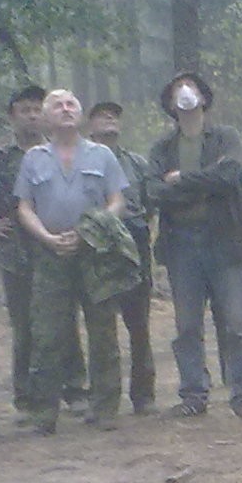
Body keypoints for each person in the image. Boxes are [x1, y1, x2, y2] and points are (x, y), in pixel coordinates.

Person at [14, 89, 128, 434]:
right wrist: (46, 238)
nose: (65, 109)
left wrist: (91, 231)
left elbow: (117, 201)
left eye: (71, 105)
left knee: (103, 332)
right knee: (47, 335)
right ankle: (44, 413)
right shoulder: (33, 159)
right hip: (50, 255)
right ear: (46, 117)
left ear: (79, 114)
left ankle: (105, 408)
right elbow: (24, 207)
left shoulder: (102, 155)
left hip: (95, 253)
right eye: (58, 106)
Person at [150, 70, 242, 420]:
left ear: (204, 97)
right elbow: (154, 191)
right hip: (181, 244)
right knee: (187, 326)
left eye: (192, 86)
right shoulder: (162, 148)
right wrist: (204, 185)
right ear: (170, 103)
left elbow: (231, 176)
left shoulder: (226, 138)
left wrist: (182, 180)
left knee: (237, 323)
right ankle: (193, 394)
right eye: (178, 88)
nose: (185, 92)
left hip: (225, 240)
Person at [0, 86, 49, 416]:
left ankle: (71, 388)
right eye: (25, 110)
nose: (32, 116)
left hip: (55, 245)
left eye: (37, 109)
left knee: (60, 320)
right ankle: (26, 396)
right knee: (24, 325)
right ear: (12, 115)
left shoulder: (58, 149)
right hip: (15, 250)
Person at [86, 100, 158, 415]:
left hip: (133, 244)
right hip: (94, 247)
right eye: (102, 115)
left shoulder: (137, 163)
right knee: (100, 325)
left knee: (138, 323)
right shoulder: (80, 160)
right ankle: (102, 397)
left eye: (114, 115)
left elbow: (149, 204)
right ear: (89, 126)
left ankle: (143, 394)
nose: (110, 119)